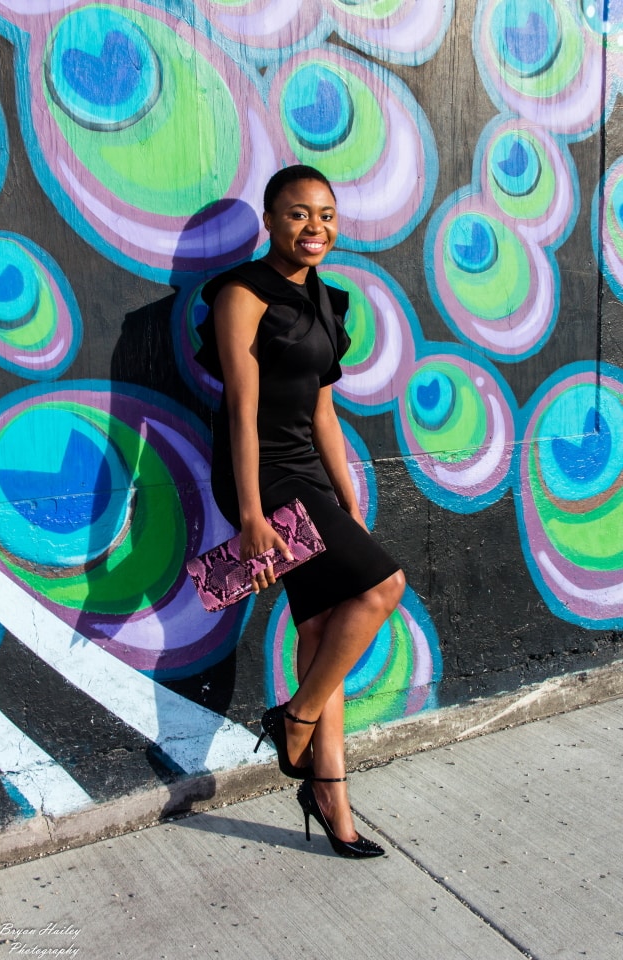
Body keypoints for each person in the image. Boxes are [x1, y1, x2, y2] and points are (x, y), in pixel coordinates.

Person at [197, 164, 406, 858]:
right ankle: (296, 718)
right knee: (383, 586)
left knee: (320, 632)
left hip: (310, 478)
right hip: (262, 477)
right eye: (296, 214)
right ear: (269, 220)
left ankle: (330, 800)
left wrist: (347, 493)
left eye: (326, 215)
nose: (314, 228)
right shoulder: (241, 294)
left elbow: (323, 405)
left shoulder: (326, 300)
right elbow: (242, 409)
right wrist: (251, 516)